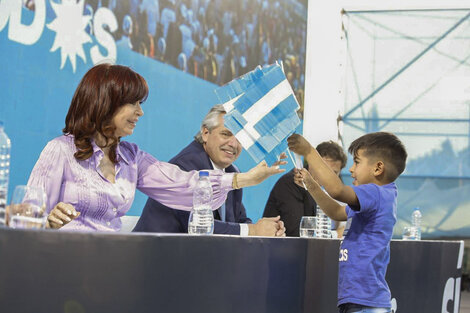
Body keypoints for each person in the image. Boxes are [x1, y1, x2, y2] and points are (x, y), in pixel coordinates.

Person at [26, 63, 286, 232]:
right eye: (133, 103)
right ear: (106, 102)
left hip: (109, 267)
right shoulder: (59, 151)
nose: (140, 112)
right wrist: (47, 221)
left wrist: (244, 179)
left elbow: (185, 186)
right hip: (63, 265)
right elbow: (25, 221)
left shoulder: (132, 158)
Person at [287, 132, 407, 313]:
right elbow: (336, 211)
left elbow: (337, 191)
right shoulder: (374, 199)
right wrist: (311, 185)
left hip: (366, 303)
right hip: (357, 301)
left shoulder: (376, 193)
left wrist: (310, 152)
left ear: (378, 168)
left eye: (357, 162)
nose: (351, 169)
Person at [134, 105, 285, 236]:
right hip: (155, 257)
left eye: (240, 138)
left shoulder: (231, 170)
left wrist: (267, 227)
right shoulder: (186, 165)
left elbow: (238, 219)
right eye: (226, 134)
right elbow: (196, 226)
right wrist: (252, 231)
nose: (233, 143)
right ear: (205, 133)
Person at [262, 140, 347, 237]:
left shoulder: (323, 191)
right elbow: (298, 233)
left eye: (334, 173)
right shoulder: (291, 183)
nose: (328, 177)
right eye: (324, 169)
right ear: (311, 163)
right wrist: (336, 234)